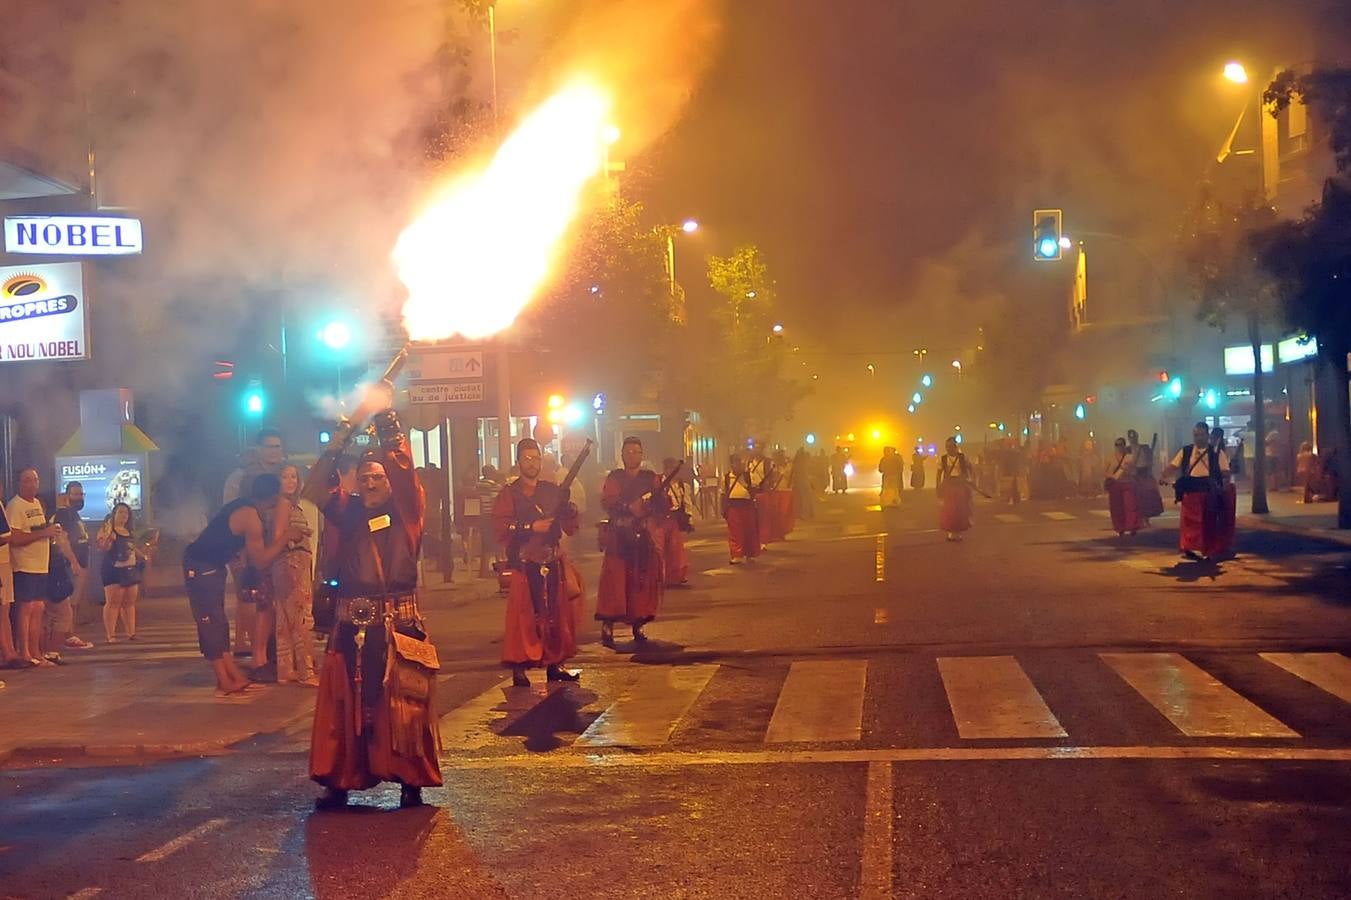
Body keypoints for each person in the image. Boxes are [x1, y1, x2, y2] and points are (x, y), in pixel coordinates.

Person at [305, 404, 442, 809]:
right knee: (344, 701)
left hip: (398, 621)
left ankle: (410, 781)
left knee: (404, 704)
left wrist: (388, 425)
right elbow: (314, 488)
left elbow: (403, 469)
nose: (370, 481)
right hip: (352, 623)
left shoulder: (407, 511)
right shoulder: (345, 512)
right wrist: (339, 439)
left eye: (378, 476)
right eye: (364, 477)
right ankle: (340, 780)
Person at [184, 473, 304, 696]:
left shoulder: (241, 506)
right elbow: (261, 560)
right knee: (211, 620)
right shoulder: (251, 518)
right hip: (200, 565)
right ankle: (224, 680)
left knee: (218, 621)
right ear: (273, 496)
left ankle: (232, 676)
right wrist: (286, 536)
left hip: (211, 565)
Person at [495, 438, 584, 686]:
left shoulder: (551, 490)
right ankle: (520, 666)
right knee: (524, 616)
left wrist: (569, 510)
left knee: (556, 614)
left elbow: (570, 525)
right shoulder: (509, 493)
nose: (531, 463)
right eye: (527, 459)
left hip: (552, 559)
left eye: (535, 458)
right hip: (526, 562)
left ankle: (556, 663)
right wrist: (532, 526)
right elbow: (501, 526)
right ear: (518, 462)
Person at [223, 428, 288, 660]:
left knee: (270, 598)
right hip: (247, 547)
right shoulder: (241, 477)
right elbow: (230, 513)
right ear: (258, 449)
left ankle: (262, 647)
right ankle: (254, 649)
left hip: (277, 547)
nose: (275, 451)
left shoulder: (286, 475)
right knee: (250, 597)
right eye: (270, 446)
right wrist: (237, 548)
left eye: (278, 446)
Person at [595, 437, 665, 647]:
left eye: (636, 451)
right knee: (614, 582)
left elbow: (661, 504)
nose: (632, 455)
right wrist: (628, 506)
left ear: (642, 455)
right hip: (619, 535)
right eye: (628, 452)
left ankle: (638, 623)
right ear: (622, 455)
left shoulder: (650, 478)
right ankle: (608, 623)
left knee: (641, 581)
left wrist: (654, 503)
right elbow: (608, 502)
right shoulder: (615, 477)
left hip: (643, 534)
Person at [6, 468, 63, 667]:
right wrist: (43, 533)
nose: (32, 484)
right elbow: (14, 537)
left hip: (40, 565)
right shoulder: (15, 506)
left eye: (35, 480)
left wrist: (50, 532)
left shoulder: (37, 503)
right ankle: (25, 652)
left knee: (39, 607)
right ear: (19, 484)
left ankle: (36, 652)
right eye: (27, 480)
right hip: (24, 565)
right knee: (27, 607)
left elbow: (38, 530)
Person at [271, 463, 318, 685]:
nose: (290, 481)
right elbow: (279, 536)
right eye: (284, 476)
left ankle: (286, 669)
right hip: (292, 563)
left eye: (294, 476)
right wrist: (295, 536)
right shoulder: (283, 504)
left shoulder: (289, 504)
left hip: (291, 563)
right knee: (300, 617)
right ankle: (306, 670)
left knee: (286, 617)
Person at [1161, 421, 1230, 561]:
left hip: (1208, 492)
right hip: (1190, 490)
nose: (1198, 438)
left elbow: (1226, 472)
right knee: (1189, 522)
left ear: (1207, 435)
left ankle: (1207, 548)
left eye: (1201, 435)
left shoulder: (1216, 453)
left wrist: (1221, 480)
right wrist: (1164, 475)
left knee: (1207, 522)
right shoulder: (1185, 451)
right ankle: (1189, 546)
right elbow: (1173, 466)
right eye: (1196, 435)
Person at [51, 483, 95, 651]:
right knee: (69, 603)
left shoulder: (74, 515)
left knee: (75, 602)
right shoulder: (64, 514)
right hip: (70, 565)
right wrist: (73, 562)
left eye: (81, 494)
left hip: (80, 563)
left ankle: (71, 634)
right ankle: (67, 636)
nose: (79, 497)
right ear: (66, 494)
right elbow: (63, 539)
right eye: (75, 494)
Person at [96, 503, 146, 642]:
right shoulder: (107, 529)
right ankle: (110, 635)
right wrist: (108, 539)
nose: (124, 516)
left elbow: (132, 547)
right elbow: (101, 548)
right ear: (114, 514)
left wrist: (142, 555)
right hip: (113, 570)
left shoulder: (129, 531)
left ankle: (131, 633)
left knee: (129, 602)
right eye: (121, 512)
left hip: (130, 569)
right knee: (113, 603)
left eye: (126, 513)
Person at [654, 457, 691, 587]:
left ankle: (676, 576)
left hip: (674, 519)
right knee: (659, 549)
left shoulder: (681, 485)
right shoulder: (657, 482)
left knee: (676, 549)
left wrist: (688, 518)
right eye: (669, 468)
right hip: (659, 519)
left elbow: (685, 502)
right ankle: (659, 576)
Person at [722, 453, 760, 565]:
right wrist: (723, 509)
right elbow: (723, 493)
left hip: (747, 505)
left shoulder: (749, 476)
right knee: (735, 532)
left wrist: (746, 484)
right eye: (736, 462)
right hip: (733, 507)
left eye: (740, 462)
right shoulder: (727, 478)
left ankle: (750, 554)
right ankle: (736, 555)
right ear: (732, 464)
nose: (739, 464)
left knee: (750, 531)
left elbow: (756, 490)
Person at [936, 437, 973, 542]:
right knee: (949, 510)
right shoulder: (942, 459)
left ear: (956, 447)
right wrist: (938, 486)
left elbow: (969, 468)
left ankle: (959, 532)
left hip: (960, 485)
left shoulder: (963, 458)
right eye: (947, 447)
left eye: (951, 446)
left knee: (961, 510)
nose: (949, 449)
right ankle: (950, 532)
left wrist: (969, 478)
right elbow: (938, 474)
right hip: (949, 486)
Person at [1105, 438, 1142, 537]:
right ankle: (1119, 527)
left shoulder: (1129, 457)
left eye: (1121, 444)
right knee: (1117, 507)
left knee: (1130, 506)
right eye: (1117, 444)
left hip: (1128, 483)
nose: (1119, 446)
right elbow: (1105, 470)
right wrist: (1110, 476)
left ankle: (1132, 527)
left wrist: (1127, 469)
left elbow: (1134, 470)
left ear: (1124, 445)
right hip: (1115, 484)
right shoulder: (1110, 457)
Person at [1211, 427, 1238, 557]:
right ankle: (1223, 544)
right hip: (1224, 487)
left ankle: (1219, 544)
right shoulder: (1220, 451)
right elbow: (1226, 471)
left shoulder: (1216, 451)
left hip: (1220, 487)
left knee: (1218, 518)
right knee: (1224, 518)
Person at [1128, 430, 1165, 523]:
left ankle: (1146, 517)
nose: (1133, 439)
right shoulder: (1127, 450)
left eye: (1134, 436)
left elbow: (1150, 460)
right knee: (1135, 497)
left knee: (1146, 497)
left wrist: (1149, 471)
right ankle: (1139, 517)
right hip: (1133, 474)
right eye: (1131, 437)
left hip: (1144, 472)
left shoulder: (1144, 448)